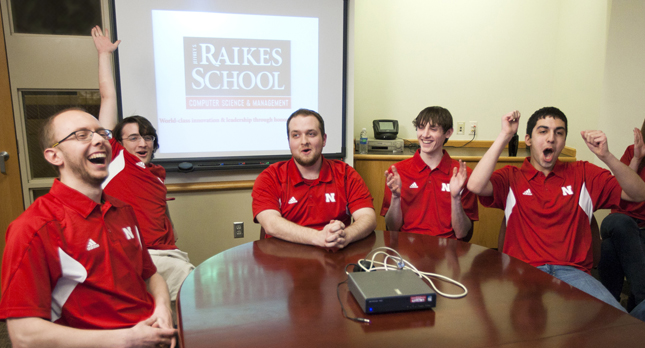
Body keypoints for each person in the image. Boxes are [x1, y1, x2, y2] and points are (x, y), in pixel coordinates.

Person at [0, 109, 176, 347]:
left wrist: (163, 309)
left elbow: (150, 275)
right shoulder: (35, 228)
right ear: (54, 156)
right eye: (81, 135)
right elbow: (23, 335)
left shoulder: (123, 211)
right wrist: (127, 339)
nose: (99, 140)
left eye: (101, 133)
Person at [467, 107, 645, 317]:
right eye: (543, 131)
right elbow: (476, 186)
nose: (551, 138)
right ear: (528, 139)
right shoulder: (511, 176)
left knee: (618, 325)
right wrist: (505, 135)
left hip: (575, 275)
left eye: (559, 133)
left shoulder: (584, 173)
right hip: (524, 273)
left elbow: (638, 193)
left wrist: (606, 155)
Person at [92, 26, 194, 301]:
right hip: (137, 255)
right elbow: (107, 97)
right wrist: (104, 55)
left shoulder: (156, 172)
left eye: (147, 138)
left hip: (168, 251)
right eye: (134, 138)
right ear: (119, 143)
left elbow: (158, 210)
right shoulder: (115, 158)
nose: (142, 144)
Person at [252, 108, 377, 249]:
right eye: (296, 135)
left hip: (335, 260)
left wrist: (345, 235)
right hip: (284, 264)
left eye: (311, 134)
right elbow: (270, 224)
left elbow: (368, 218)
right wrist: (318, 237)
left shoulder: (346, 174)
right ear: (289, 141)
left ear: (324, 139)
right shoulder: (270, 177)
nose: (304, 141)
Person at [381, 106, 478, 239]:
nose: (425, 134)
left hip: (449, 250)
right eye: (421, 127)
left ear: (448, 133)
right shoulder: (397, 172)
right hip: (407, 249)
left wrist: (455, 198)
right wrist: (396, 198)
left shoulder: (463, 174)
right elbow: (391, 228)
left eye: (433, 129)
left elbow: (463, 233)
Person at [597, 120, 645, 315]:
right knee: (622, 223)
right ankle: (642, 297)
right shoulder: (632, 151)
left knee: (609, 247)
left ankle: (613, 311)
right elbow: (620, 190)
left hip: (641, 230)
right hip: (618, 221)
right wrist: (636, 159)